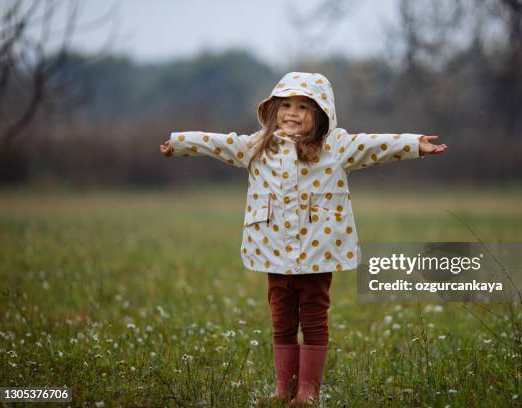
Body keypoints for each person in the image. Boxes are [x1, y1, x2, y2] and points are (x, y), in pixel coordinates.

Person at [160, 72, 447, 406]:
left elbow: (373, 145)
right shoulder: (257, 147)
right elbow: (219, 143)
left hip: (318, 252)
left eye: (302, 107)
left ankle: (308, 392)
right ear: (273, 110)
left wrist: (414, 145)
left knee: (313, 318)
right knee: (281, 320)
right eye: (285, 105)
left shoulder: (336, 147)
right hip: (273, 251)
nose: (291, 113)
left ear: (321, 114)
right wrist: (178, 143)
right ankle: (284, 389)